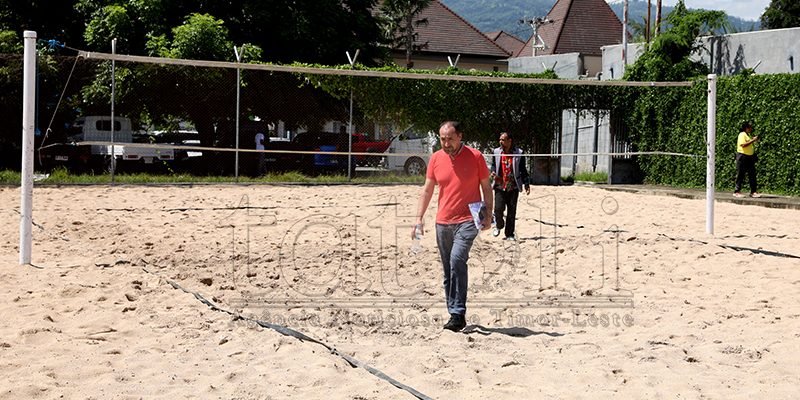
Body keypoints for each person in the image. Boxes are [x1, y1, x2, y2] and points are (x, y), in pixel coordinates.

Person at [414, 121, 492, 332]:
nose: (446, 143)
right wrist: (419, 218)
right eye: (442, 139)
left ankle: (458, 312)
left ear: (460, 136)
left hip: (468, 220)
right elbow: (427, 190)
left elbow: (486, 187)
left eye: (450, 139)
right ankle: (454, 313)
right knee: (448, 269)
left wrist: (489, 214)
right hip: (443, 222)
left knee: (457, 260)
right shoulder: (436, 158)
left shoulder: (475, 156)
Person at [490, 132, 530, 241]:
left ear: (509, 141)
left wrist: (526, 184)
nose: (500, 142)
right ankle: (499, 225)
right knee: (498, 209)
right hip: (499, 185)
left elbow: (523, 170)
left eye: (503, 140)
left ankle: (509, 234)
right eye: (500, 140)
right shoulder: (496, 152)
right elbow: (493, 165)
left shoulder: (519, 153)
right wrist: (493, 172)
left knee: (511, 212)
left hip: (513, 187)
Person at [734, 122, 760, 198]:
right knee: (741, 174)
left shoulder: (747, 135)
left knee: (752, 174)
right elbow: (743, 145)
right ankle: (737, 191)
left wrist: (752, 140)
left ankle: (753, 191)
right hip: (742, 156)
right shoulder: (742, 134)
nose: (751, 129)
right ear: (746, 128)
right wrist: (753, 140)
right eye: (750, 127)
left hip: (749, 157)